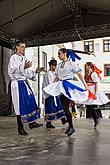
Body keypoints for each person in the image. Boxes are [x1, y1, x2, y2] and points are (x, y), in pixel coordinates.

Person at [43, 48, 88, 136]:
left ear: (65, 53)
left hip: (69, 86)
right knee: (64, 108)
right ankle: (71, 127)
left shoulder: (71, 63)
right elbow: (57, 77)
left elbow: (79, 74)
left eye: (59, 53)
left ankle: (71, 127)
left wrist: (85, 85)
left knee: (65, 107)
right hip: (61, 86)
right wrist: (52, 86)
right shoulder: (59, 65)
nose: (58, 55)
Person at [8, 40, 45, 135]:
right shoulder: (13, 58)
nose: (23, 48)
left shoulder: (24, 58)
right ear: (17, 47)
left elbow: (27, 72)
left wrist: (35, 71)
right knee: (20, 105)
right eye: (22, 46)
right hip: (17, 83)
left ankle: (32, 123)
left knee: (31, 100)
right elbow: (12, 71)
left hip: (24, 83)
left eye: (24, 47)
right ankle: (20, 127)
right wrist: (23, 67)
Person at [42, 59, 67, 128]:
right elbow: (51, 84)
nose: (56, 67)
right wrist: (57, 80)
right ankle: (48, 123)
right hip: (49, 93)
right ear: (51, 66)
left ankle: (63, 119)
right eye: (54, 66)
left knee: (59, 105)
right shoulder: (48, 74)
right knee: (50, 108)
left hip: (54, 92)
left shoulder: (54, 73)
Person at [84, 62, 110, 127]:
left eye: (86, 66)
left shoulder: (93, 74)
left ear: (90, 66)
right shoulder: (87, 74)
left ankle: (96, 118)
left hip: (92, 90)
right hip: (88, 90)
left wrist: (95, 94)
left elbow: (96, 84)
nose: (86, 67)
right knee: (88, 106)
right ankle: (96, 119)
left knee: (91, 106)